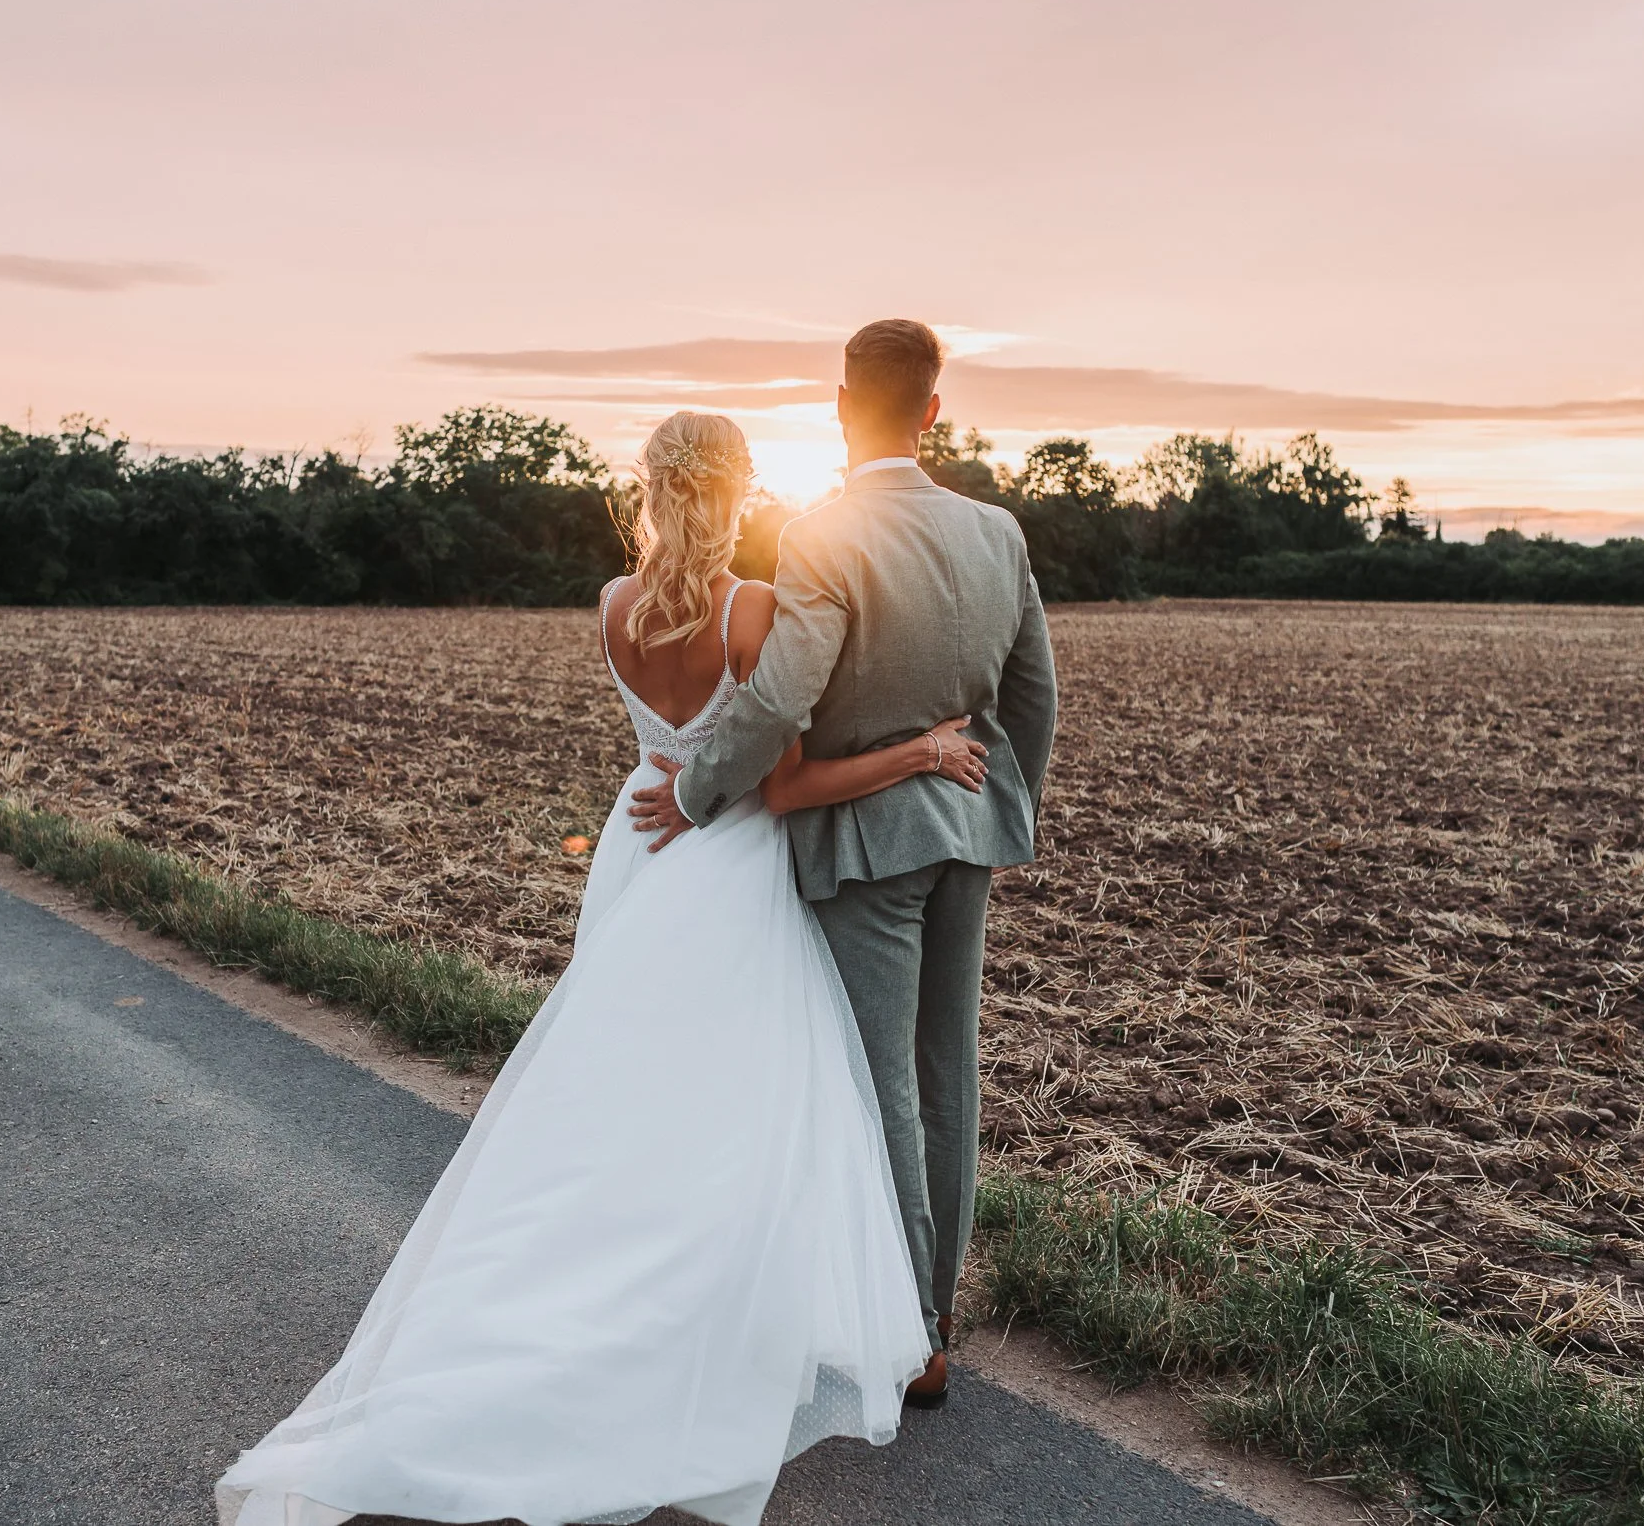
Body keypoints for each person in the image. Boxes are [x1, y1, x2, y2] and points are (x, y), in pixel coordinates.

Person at [216, 405, 999, 1526]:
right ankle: (695, 1322)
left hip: (638, 856)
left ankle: (580, 1310)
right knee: (735, 1112)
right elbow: (777, 788)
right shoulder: (751, 612)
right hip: (728, 872)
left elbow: (666, 752)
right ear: (738, 491)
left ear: (650, 487)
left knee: (624, 1100)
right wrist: (921, 748)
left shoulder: (612, 609)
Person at [631, 318, 1059, 1409]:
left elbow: (780, 696)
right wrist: (1007, 810)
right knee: (945, 1072)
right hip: (965, 823)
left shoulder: (824, 533)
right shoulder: (996, 532)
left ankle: (911, 1329)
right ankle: (938, 1304)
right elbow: (1032, 696)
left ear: (837, 404)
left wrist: (689, 791)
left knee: (881, 1083)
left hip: (868, 845)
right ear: (931, 408)